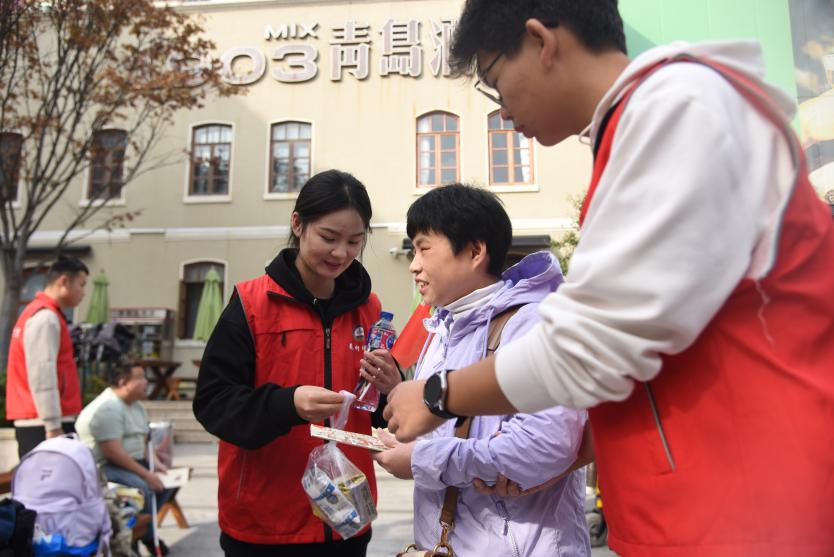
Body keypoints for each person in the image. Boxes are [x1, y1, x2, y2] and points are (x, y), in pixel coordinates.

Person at [383, 1, 834, 555]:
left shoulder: (677, 109)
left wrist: (440, 395)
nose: (502, 109)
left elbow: (590, 343)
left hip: (751, 514)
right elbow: (646, 354)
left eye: (496, 80)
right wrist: (573, 453)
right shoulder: (640, 125)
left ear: (541, 42)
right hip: (694, 513)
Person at [193, 169, 401, 557]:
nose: (341, 253)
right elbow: (213, 403)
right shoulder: (252, 304)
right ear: (297, 224)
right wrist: (286, 404)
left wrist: (392, 386)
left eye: (354, 241)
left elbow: (378, 413)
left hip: (346, 519)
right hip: (263, 525)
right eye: (329, 237)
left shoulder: (370, 311)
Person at [374, 184, 590, 556]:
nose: (413, 265)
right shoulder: (441, 329)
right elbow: (448, 431)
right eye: (413, 250)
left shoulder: (531, 323)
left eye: (424, 248)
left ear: (475, 252)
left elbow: (543, 445)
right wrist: (410, 446)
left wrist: (421, 460)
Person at [76, 360, 174, 556]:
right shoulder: (108, 408)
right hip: (105, 467)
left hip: (131, 461)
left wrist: (157, 465)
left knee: (168, 482)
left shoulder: (136, 406)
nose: (146, 382)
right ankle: (146, 537)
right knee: (143, 487)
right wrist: (147, 474)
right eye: (140, 378)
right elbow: (113, 453)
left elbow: (143, 442)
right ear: (123, 382)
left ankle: (143, 532)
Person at [5, 255, 89, 458]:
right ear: (64, 281)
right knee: (53, 476)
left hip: (38, 417)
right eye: (81, 284)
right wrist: (53, 425)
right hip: (44, 421)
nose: (83, 292)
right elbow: (43, 373)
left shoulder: (39, 313)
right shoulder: (45, 318)